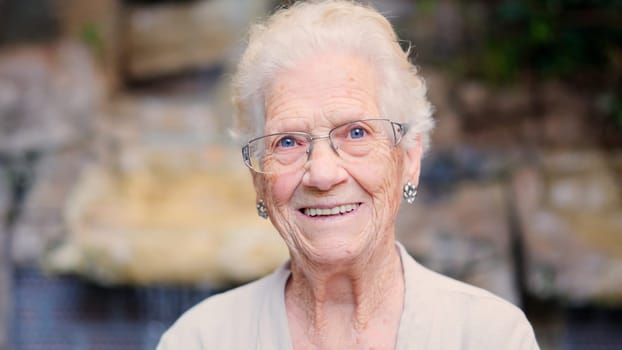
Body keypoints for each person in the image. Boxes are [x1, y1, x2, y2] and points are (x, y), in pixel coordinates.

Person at [157, 1, 539, 349]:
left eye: (356, 133)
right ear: (258, 178)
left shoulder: (491, 335)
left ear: (409, 156)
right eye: (287, 141)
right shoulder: (199, 339)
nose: (322, 174)